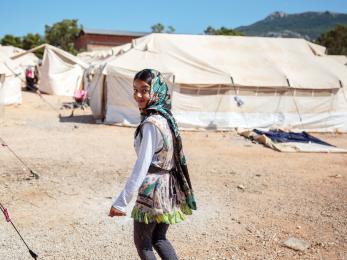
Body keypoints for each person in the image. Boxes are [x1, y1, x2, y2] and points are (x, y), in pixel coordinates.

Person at [109, 69, 197, 260]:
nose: (138, 95)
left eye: (144, 90)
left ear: (156, 90)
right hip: (168, 186)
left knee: (143, 242)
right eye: (135, 90)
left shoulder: (151, 123)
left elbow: (142, 166)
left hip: (153, 189)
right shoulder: (166, 117)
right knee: (159, 238)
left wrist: (121, 202)